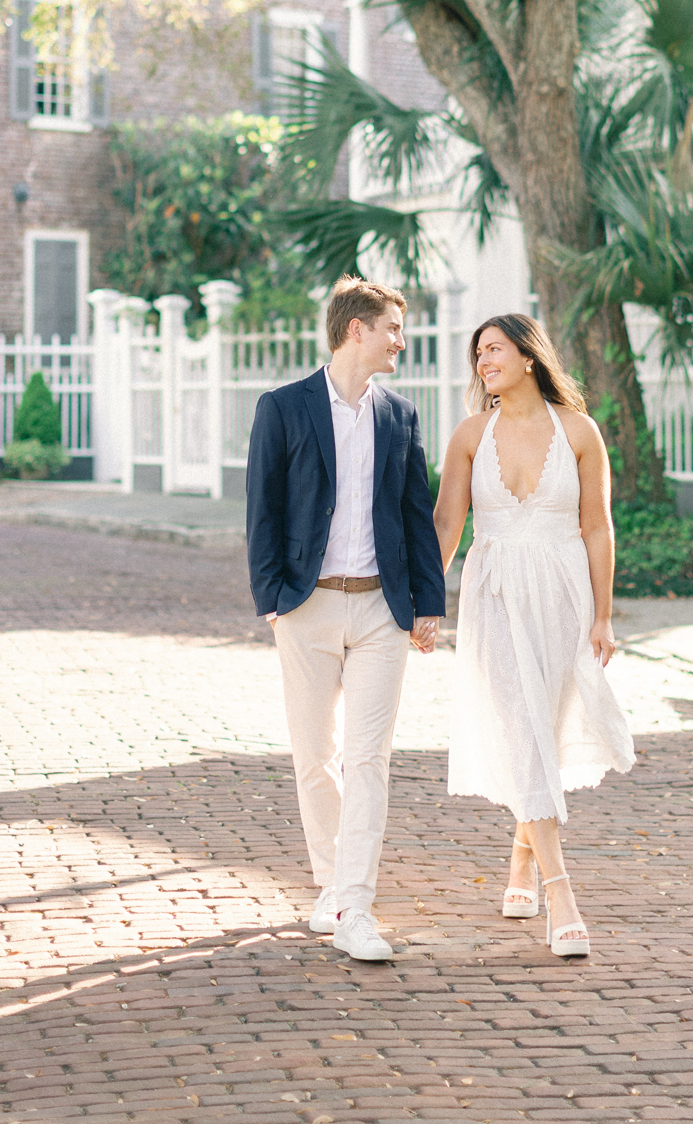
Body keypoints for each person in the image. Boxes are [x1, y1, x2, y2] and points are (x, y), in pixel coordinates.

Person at [246, 275, 446, 962]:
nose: (401, 339)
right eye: (392, 326)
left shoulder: (399, 417)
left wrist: (428, 603)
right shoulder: (283, 408)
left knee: (368, 760)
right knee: (314, 760)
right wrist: (272, 598)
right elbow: (262, 511)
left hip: (380, 612)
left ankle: (355, 907)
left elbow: (416, 515)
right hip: (308, 605)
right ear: (355, 329)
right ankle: (329, 886)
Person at [434, 313, 635, 956]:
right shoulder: (469, 434)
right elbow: (447, 525)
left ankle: (520, 859)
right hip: (494, 596)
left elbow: (597, 527)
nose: (483, 361)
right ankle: (560, 890)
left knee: (543, 731)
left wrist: (603, 615)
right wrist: (423, 603)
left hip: (563, 595)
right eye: (478, 353)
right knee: (522, 728)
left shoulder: (579, 430)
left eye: (493, 348)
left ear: (527, 356)